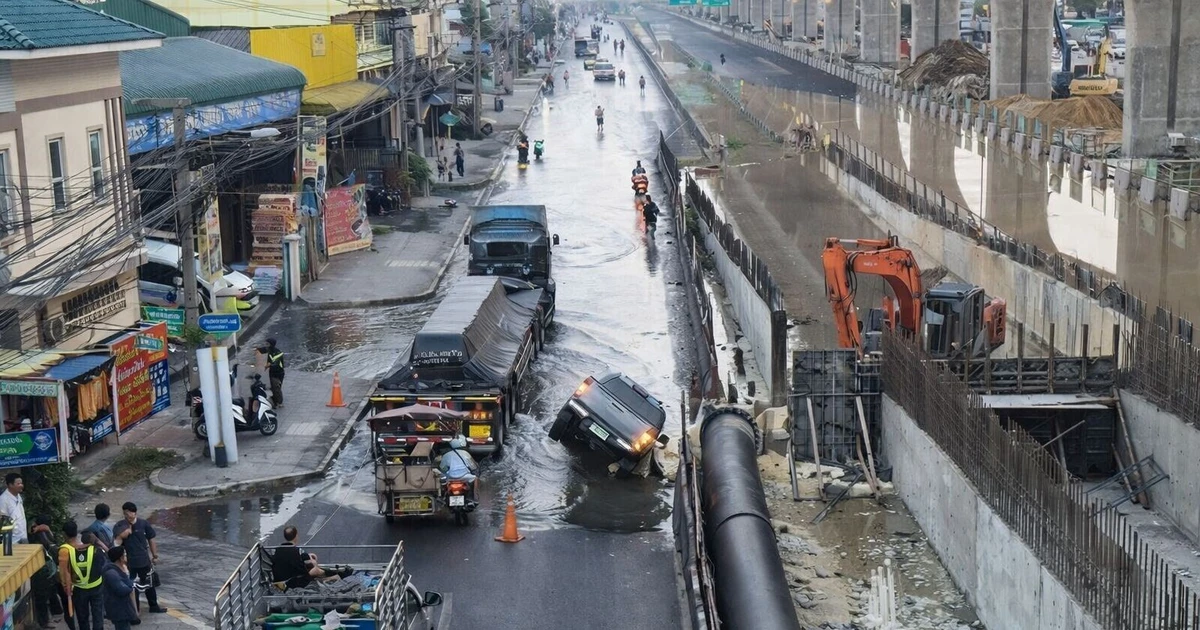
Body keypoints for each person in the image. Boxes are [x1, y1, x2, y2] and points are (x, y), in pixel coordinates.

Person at [111, 503, 166, 615]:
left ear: (135, 512)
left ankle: (153, 606)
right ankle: (135, 609)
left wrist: (155, 555)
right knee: (132, 585)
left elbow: (151, 539)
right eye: (125, 513)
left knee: (149, 583)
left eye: (129, 513)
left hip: (144, 560)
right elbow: (117, 542)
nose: (127, 515)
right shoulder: (120, 526)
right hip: (129, 562)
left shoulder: (143, 524)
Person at [60, 521, 104, 630]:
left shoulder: (65, 551)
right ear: (76, 532)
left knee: (82, 617)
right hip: (96, 586)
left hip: (79, 589)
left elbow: (64, 572)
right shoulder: (94, 549)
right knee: (98, 614)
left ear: (64, 534)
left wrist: (66, 587)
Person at [272, 526, 336, 589]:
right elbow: (310, 565)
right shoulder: (299, 551)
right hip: (295, 582)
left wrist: (307, 556)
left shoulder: (276, 551)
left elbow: (287, 559)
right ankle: (331, 578)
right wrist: (313, 561)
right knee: (315, 569)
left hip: (279, 584)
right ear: (296, 536)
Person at [31, 514, 62, 630]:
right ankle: (47, 620)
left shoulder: (35, 536)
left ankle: (49, 618)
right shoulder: (44, 538)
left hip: (43, 572)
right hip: (45, 573)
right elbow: (54, 549)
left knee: (44, 598)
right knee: (45, 598)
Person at [102, 546, 144, 630]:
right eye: (124, 554)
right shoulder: (112, 573)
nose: (126, 556)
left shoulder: (120, 570)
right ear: (120, 558)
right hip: (119, 610)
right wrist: (131, 586)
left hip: (124, 609)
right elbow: (122, 590)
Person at [0, 472, 30, 543]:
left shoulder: (18, 496)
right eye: (18, 484)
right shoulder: (3, 500)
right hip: (12, 540)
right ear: (10, 485)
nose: (21, 485)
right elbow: (3, 521)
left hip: (23, 535)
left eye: (21, 483)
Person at [259, 338, 285, 408]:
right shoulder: (268, 349)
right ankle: (275, 400)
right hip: (271, 372)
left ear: (271, 344)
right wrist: (256, 349)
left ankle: (279, 402)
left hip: (278, 373)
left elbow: (275, 363)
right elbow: (262, 350)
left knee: (276, 387)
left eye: (267, 344)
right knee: (273, 387)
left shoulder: (278, 353)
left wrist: (268, 365)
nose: (265, 345)